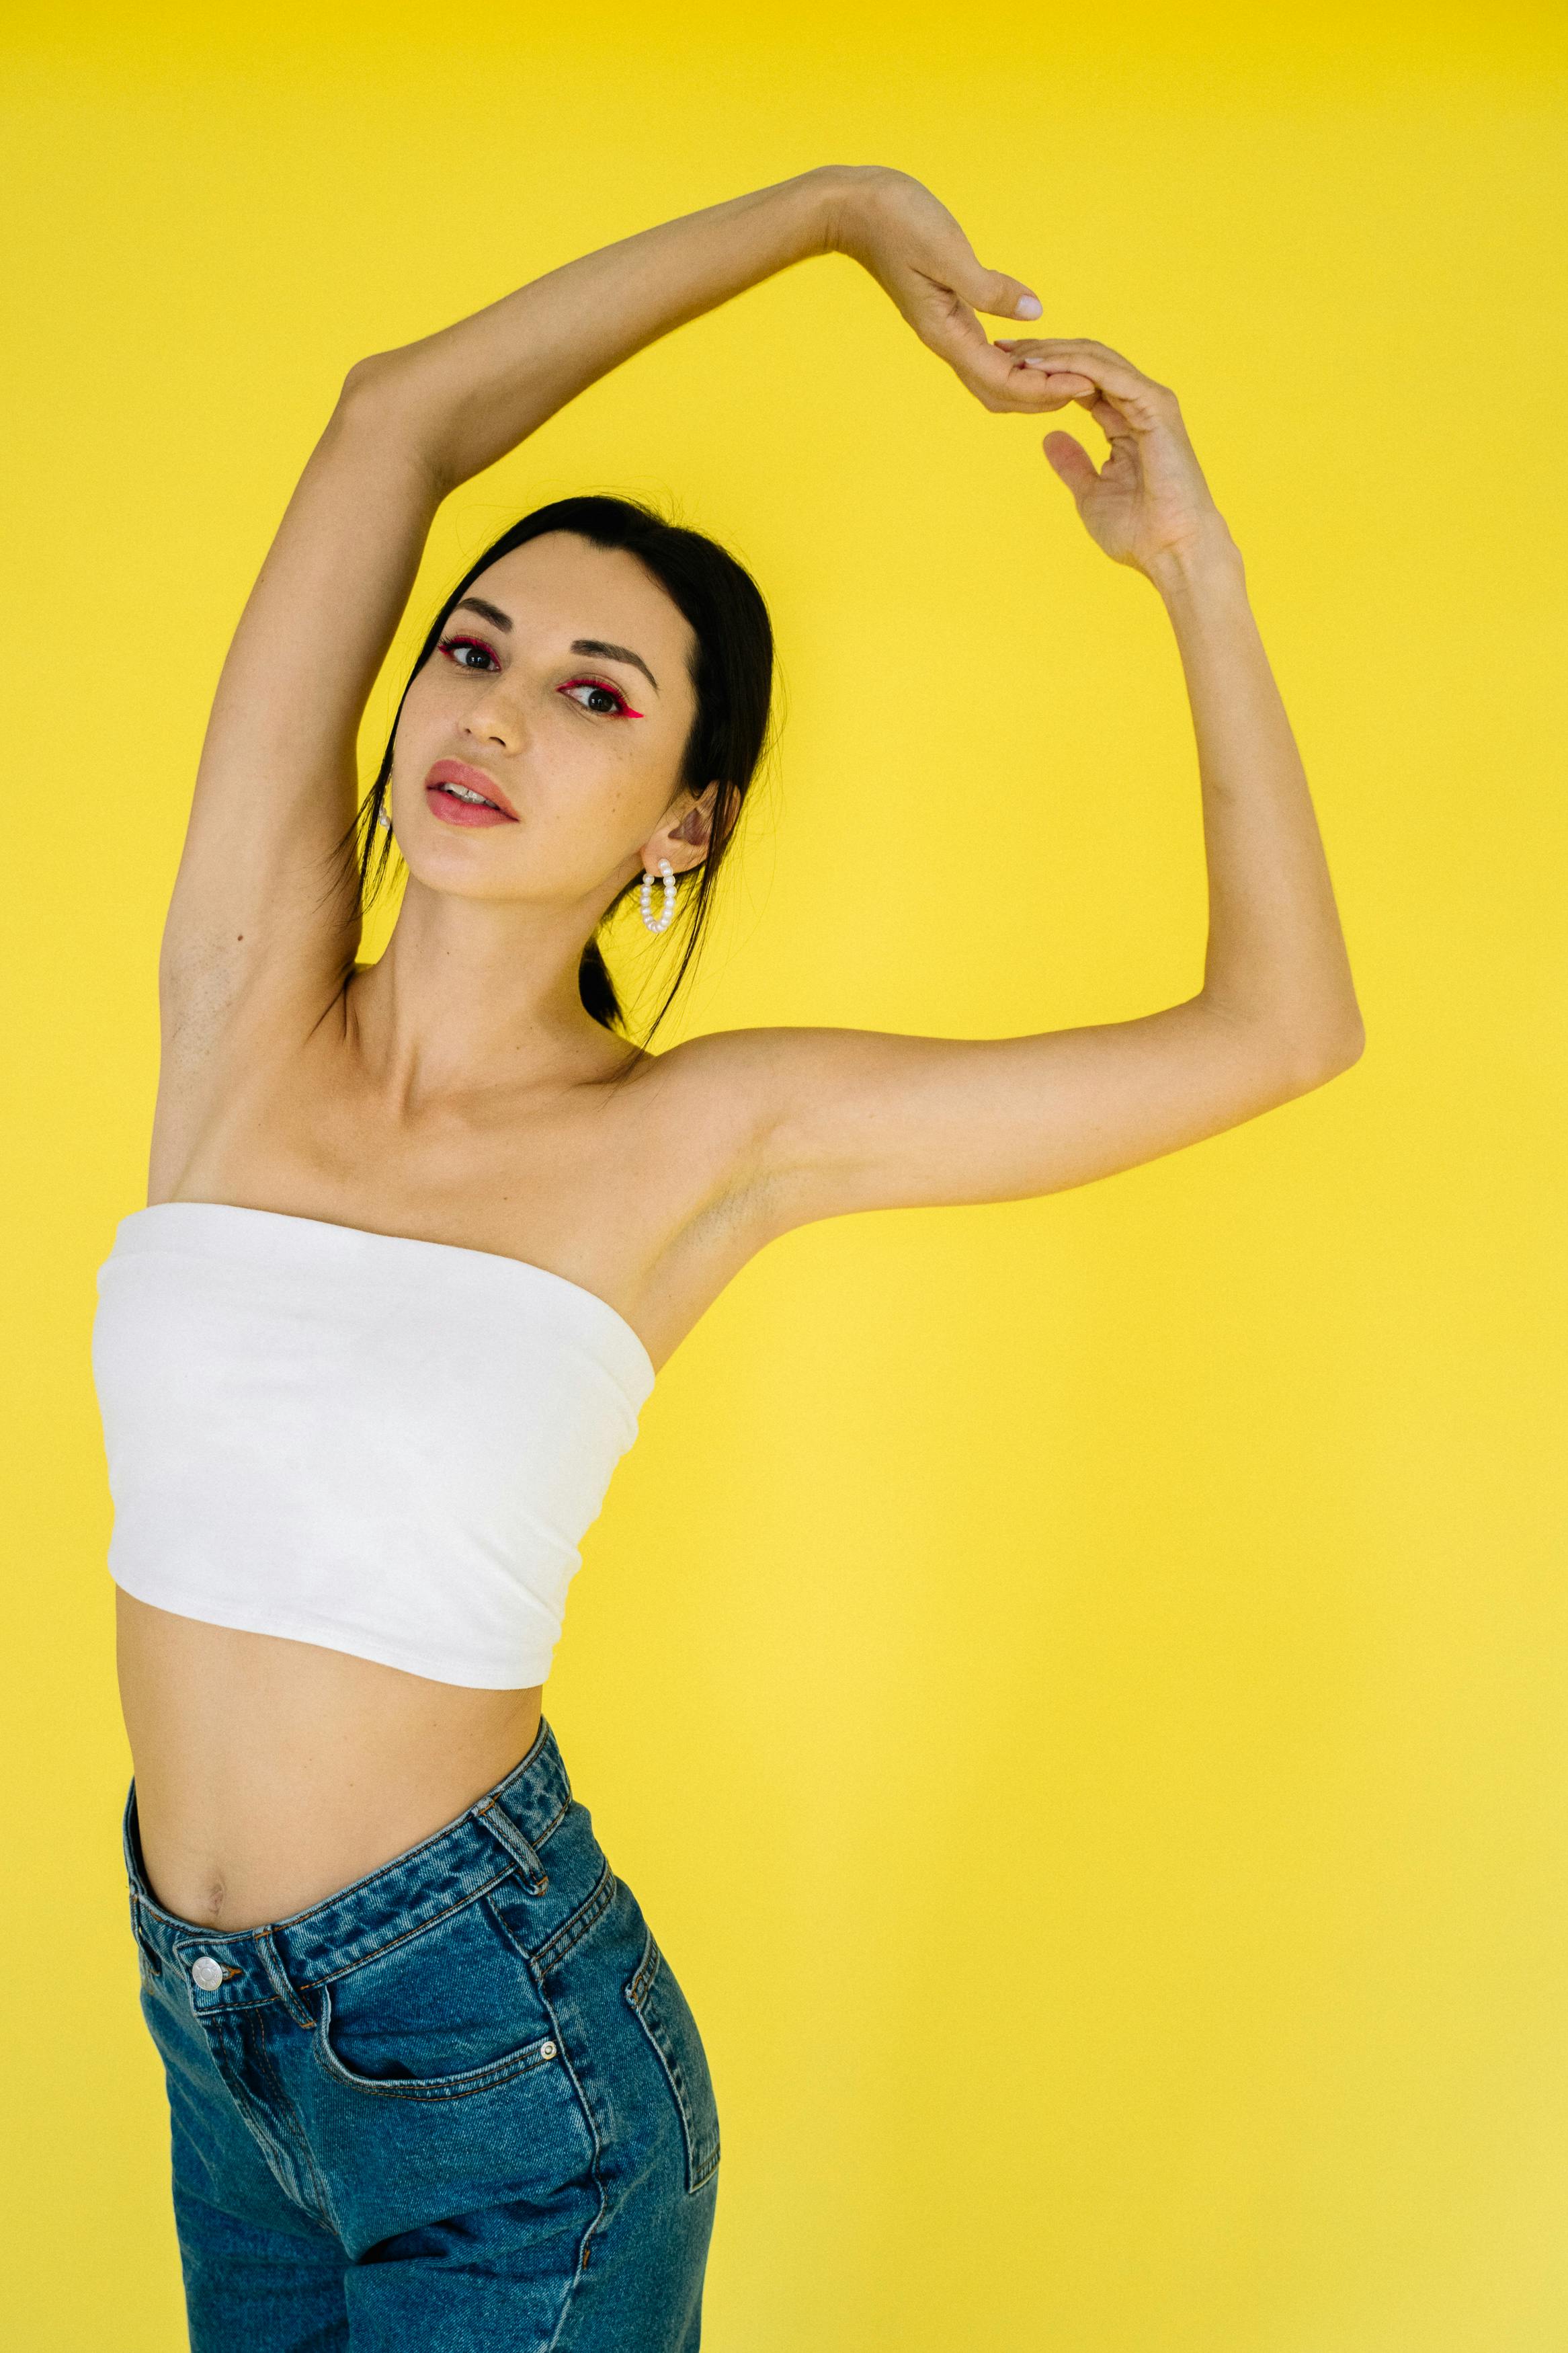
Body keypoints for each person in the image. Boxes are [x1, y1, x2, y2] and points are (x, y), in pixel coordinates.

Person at [91, 164, 1364, 2350]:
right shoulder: (241, 1002)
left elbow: (1282, 1028)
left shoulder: (701, 1134)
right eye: (473, 651)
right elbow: (391, 421)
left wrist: (1197, 573)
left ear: (685, 818)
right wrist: (836, 217)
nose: (495, 711)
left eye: (601, 697)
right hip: (219, 2049)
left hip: (501, 2072)